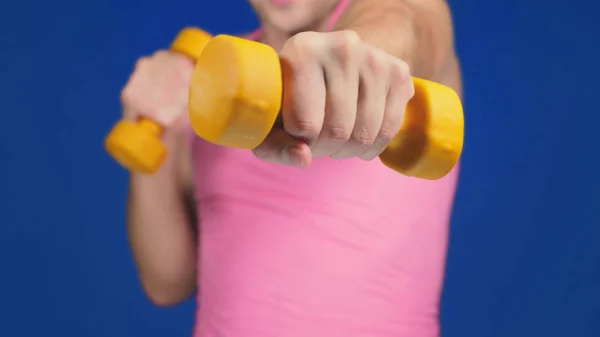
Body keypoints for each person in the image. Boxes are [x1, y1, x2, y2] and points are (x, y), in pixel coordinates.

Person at [121, 0, 462, 335]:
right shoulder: (215, 79)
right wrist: (153, 128)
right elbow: (167, 284)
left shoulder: (408, 15)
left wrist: (362, 58)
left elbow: (400, 24)